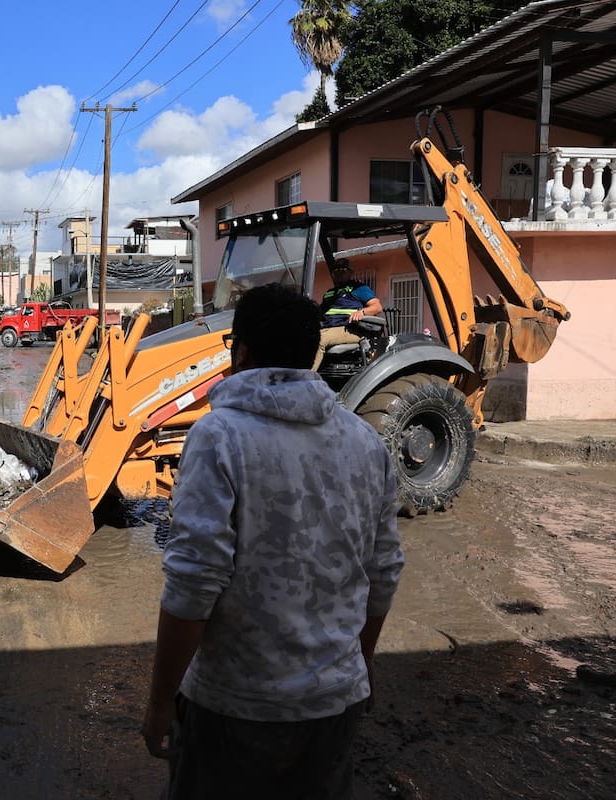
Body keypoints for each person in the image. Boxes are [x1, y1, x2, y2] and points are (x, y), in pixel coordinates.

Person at [141, 283, 404, 799]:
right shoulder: (364, 441)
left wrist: (159, 700)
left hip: (233, 708)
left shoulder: (219, 436)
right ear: (313, 353)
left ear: (240, 351)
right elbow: (384, 569)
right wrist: (360, 666)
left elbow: (194, 582)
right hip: (334, 706)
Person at [312, 259, 383, 370]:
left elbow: (377, 307)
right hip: (328, 328)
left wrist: (361, 312)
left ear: (350, 273)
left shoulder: (359, 288)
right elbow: (319, 313)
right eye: (336, 270)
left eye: (343, 270)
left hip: (350, 328)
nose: (339, 272)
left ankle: (305, 380)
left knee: (319, 339)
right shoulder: (329, 293)